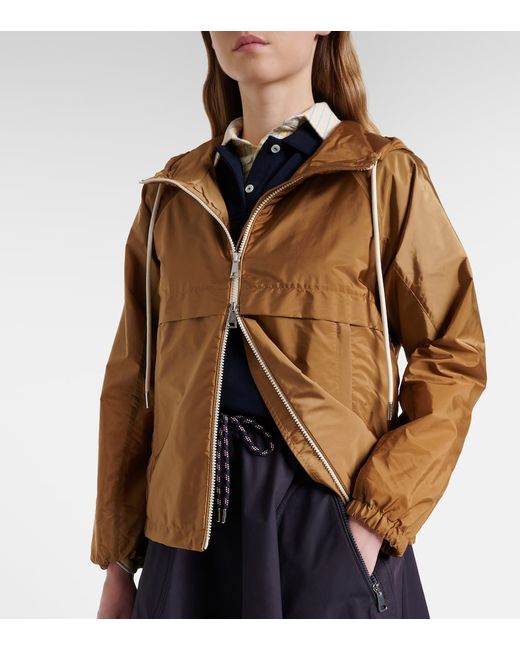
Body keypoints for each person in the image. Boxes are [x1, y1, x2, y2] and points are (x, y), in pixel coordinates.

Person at [91, 31, 487, 618]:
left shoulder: (380, 177)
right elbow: (134, 386)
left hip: (327, 521)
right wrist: (120, 563)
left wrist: (372, 523)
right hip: (183, 535)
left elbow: (454, 354)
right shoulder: (171, 198)